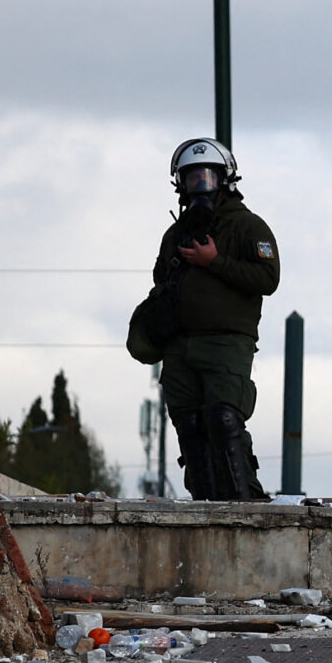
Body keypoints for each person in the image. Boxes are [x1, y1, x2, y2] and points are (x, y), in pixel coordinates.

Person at [129, 139, 280, 502]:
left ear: (225, 179)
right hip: (180, 345)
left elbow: (268, 279)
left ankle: (245, 503)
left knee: (224, 418)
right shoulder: (175, 234)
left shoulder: (248, 227)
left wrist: (214, 261)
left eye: (207, 178)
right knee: (190, 425)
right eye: (192, 178)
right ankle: (204, 505)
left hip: (226, 341)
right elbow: (161, 280)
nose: (200, 185)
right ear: (180, 183)